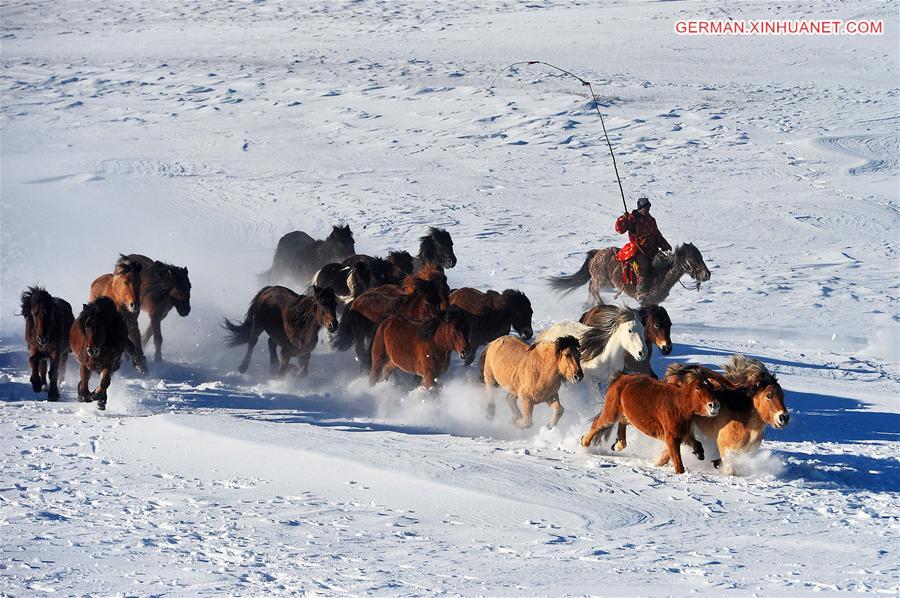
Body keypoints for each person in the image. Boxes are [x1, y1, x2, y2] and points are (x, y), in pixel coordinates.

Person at [615, 197, 671, 299]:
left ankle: (658, 288)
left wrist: (664, 244)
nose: (647, 209)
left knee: (663, 264)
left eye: (648, 207)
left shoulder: (651, 220)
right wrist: (623, 219)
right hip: (638, 249)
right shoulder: (632, 219)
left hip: (652, 248)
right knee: (643, 267)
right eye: (645, 207)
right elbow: (620, 229)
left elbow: (656, 234)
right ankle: (640, 292)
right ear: (640, 208)